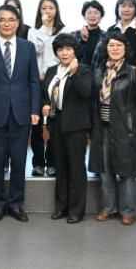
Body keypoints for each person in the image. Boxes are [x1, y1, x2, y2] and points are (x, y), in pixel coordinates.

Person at [0, 4, 41, 223]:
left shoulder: (28, 47)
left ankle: (16, 204)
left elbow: (33, 80)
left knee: (19, 161)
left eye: (11, 19)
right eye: (2, 19)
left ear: (18, 23)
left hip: (21, 112)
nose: (6, 23)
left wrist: (34, 109)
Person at [89, 32, 136, 226]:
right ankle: (108, 207)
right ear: (106, 49)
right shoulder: (99, 71)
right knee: (105, 171)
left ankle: (128, 211)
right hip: (102, 127)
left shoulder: (133, 71)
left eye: (119, 45)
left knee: (126, 171)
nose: (114, 49)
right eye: (111, 45)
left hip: (124, 128)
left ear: (125, 49)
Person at [41, 33, 92, 224]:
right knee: (60, 167)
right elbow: (45, 94)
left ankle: (76, 210)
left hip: (76, 126)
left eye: (68, 49)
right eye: (61, 49)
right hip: (56, 124)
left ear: (74, 51)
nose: (64, 53)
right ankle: (61, 207)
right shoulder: (51, 70)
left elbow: (86, 92)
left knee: (76, 168)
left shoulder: (83, 70)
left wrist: (74, 72)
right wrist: (45, 105)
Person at [28, 0, 66, 177]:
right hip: (37, 81)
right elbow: (35, 50)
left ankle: (52, 161)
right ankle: (38, 163)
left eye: (51, 7)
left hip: (56, 80)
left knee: (53, 123)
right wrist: (43, 28)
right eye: (44, 8)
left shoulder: (64, 31)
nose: (47, 11)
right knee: (35, 124)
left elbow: (63, 55)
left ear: (56, 10)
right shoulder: (33, 32)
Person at [95, 0, 136, 67]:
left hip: (133, 69)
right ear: (117, 9)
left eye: (130, 6)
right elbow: (106, 52)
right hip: (113, 69)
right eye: (123, 6)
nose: (126, 10)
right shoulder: (111, 29)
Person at [74, 0, 106, 66]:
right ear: (84, 16)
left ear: (101, 17)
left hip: (99, 72)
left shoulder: (106, 36)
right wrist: (83, 41)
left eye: (96, 13)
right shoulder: (75, 35)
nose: (92, 16)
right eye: (89, 13)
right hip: (79, 71)